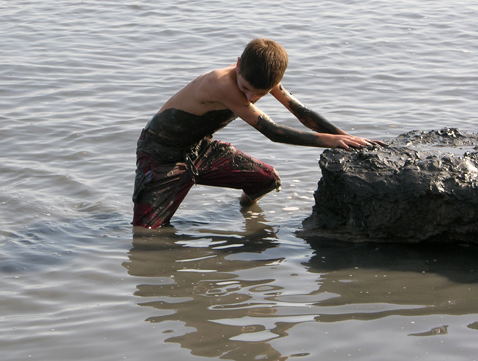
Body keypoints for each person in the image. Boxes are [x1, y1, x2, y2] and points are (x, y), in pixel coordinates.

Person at [132, 38, 382, 229]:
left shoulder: (262, 77)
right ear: (238, 65)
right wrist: (332, 141)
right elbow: (273, 132)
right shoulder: (222, 83)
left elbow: (301, 113)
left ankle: (242, 212)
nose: (250, 98)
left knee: (266, 180)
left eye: (260, 93)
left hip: (200, 149)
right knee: (147, 232)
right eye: (246, 89)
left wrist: (344, 137)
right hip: (161, 155)